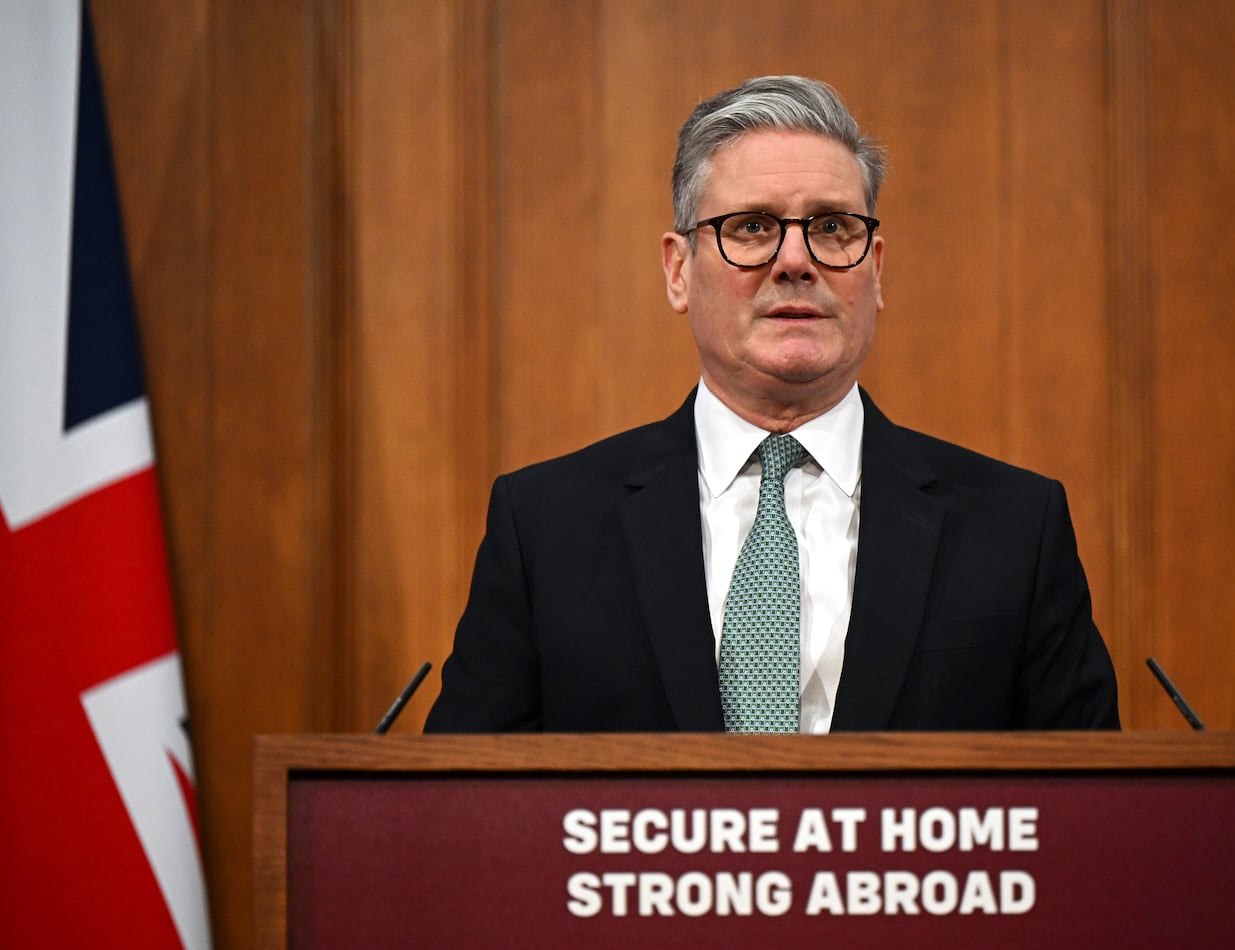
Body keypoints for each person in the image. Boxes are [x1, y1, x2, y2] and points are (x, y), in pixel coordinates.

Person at [424, 75, 1117, 735]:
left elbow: (1091, 817)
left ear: (875, 269)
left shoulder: (1015, 529)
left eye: (832, 227)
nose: (795, 259)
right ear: (677, 270)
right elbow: (462, 811)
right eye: (752, 227)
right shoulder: (546, 527)